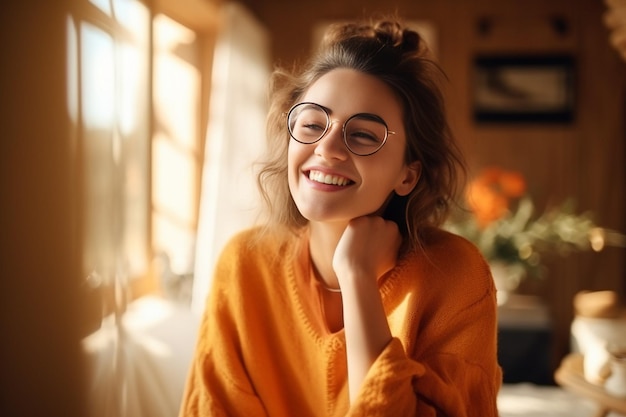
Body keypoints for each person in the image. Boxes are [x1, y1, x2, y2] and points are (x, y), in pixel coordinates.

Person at [179, 16, 502, 417]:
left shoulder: (457, 275)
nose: (327, 147)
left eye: (364, 134)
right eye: (312, 123)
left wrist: (357, 278)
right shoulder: (244, 264)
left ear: (407, 175)